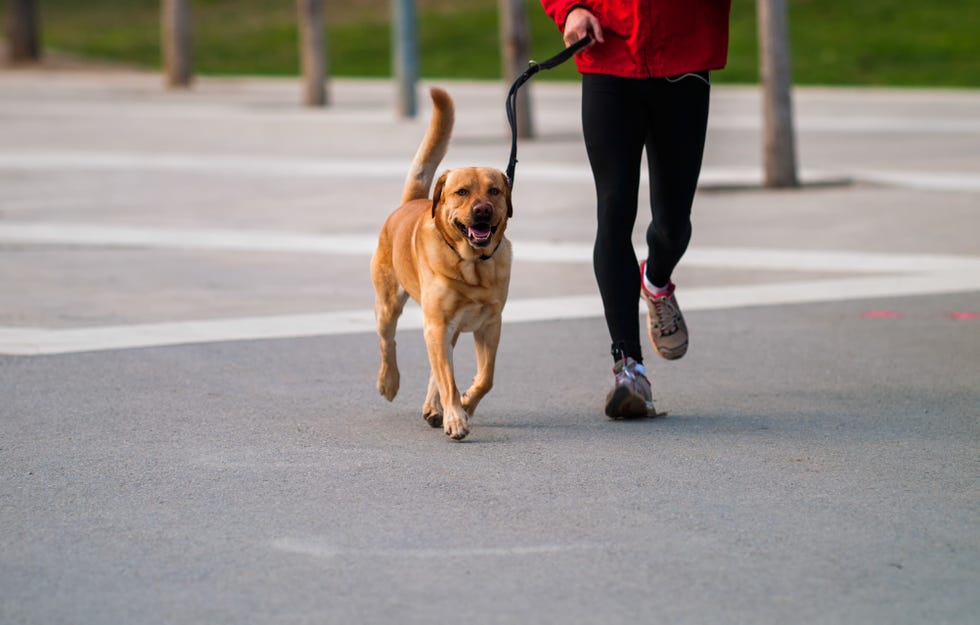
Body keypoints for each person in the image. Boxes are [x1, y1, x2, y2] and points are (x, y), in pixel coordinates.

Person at [539, 0, 732, 418]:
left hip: (684, 58)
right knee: (613, 211)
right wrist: (569, 10)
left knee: (673, 222)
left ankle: (657, 280)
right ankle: (629, 368)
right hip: (608, 56)